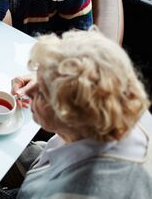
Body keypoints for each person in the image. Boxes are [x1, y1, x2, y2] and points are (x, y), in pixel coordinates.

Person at [8, 29, 152, 198]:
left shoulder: (77, 192)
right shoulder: (122, 102)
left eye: (42, 94)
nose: (29, 91)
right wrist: (49, 78)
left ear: (72, 117)